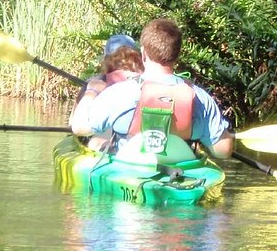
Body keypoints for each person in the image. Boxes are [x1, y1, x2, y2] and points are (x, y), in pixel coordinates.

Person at [73, 17, 234, 160]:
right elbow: (223, 151)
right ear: (177, 55)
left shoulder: (120, 93)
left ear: (143, 53)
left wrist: (91, 91)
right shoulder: (200, 97)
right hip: (181, 172)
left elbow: (79, 127)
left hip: (131, 167)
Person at [69, 34, 144, 149]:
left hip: (107, 141)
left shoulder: (95, 82)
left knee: (94, 141)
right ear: (137, 58)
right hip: (140, 141)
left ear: (106, 60)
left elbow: (72, 123)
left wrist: (91, 91)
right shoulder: (147, 81)